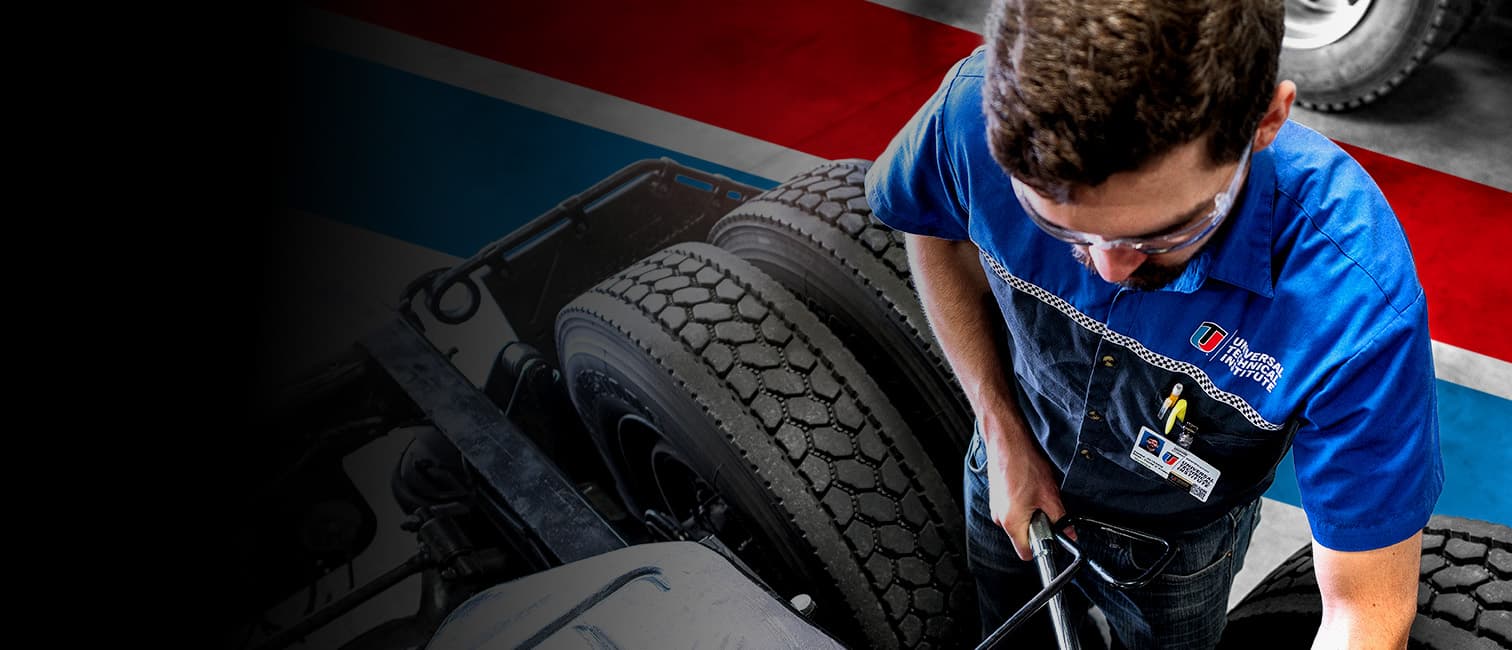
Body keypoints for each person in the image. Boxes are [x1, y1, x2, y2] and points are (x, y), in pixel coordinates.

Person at [864, 1, 1443, 648]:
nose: (1109, 268)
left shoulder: (1352, 301)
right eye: (1063, 225)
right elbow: (934, 225)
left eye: (1164, 233)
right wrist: (1000, 430)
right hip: (1009, 458)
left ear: (1266, 122)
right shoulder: (973, 116)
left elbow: (1364, 611)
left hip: (1179, 550)